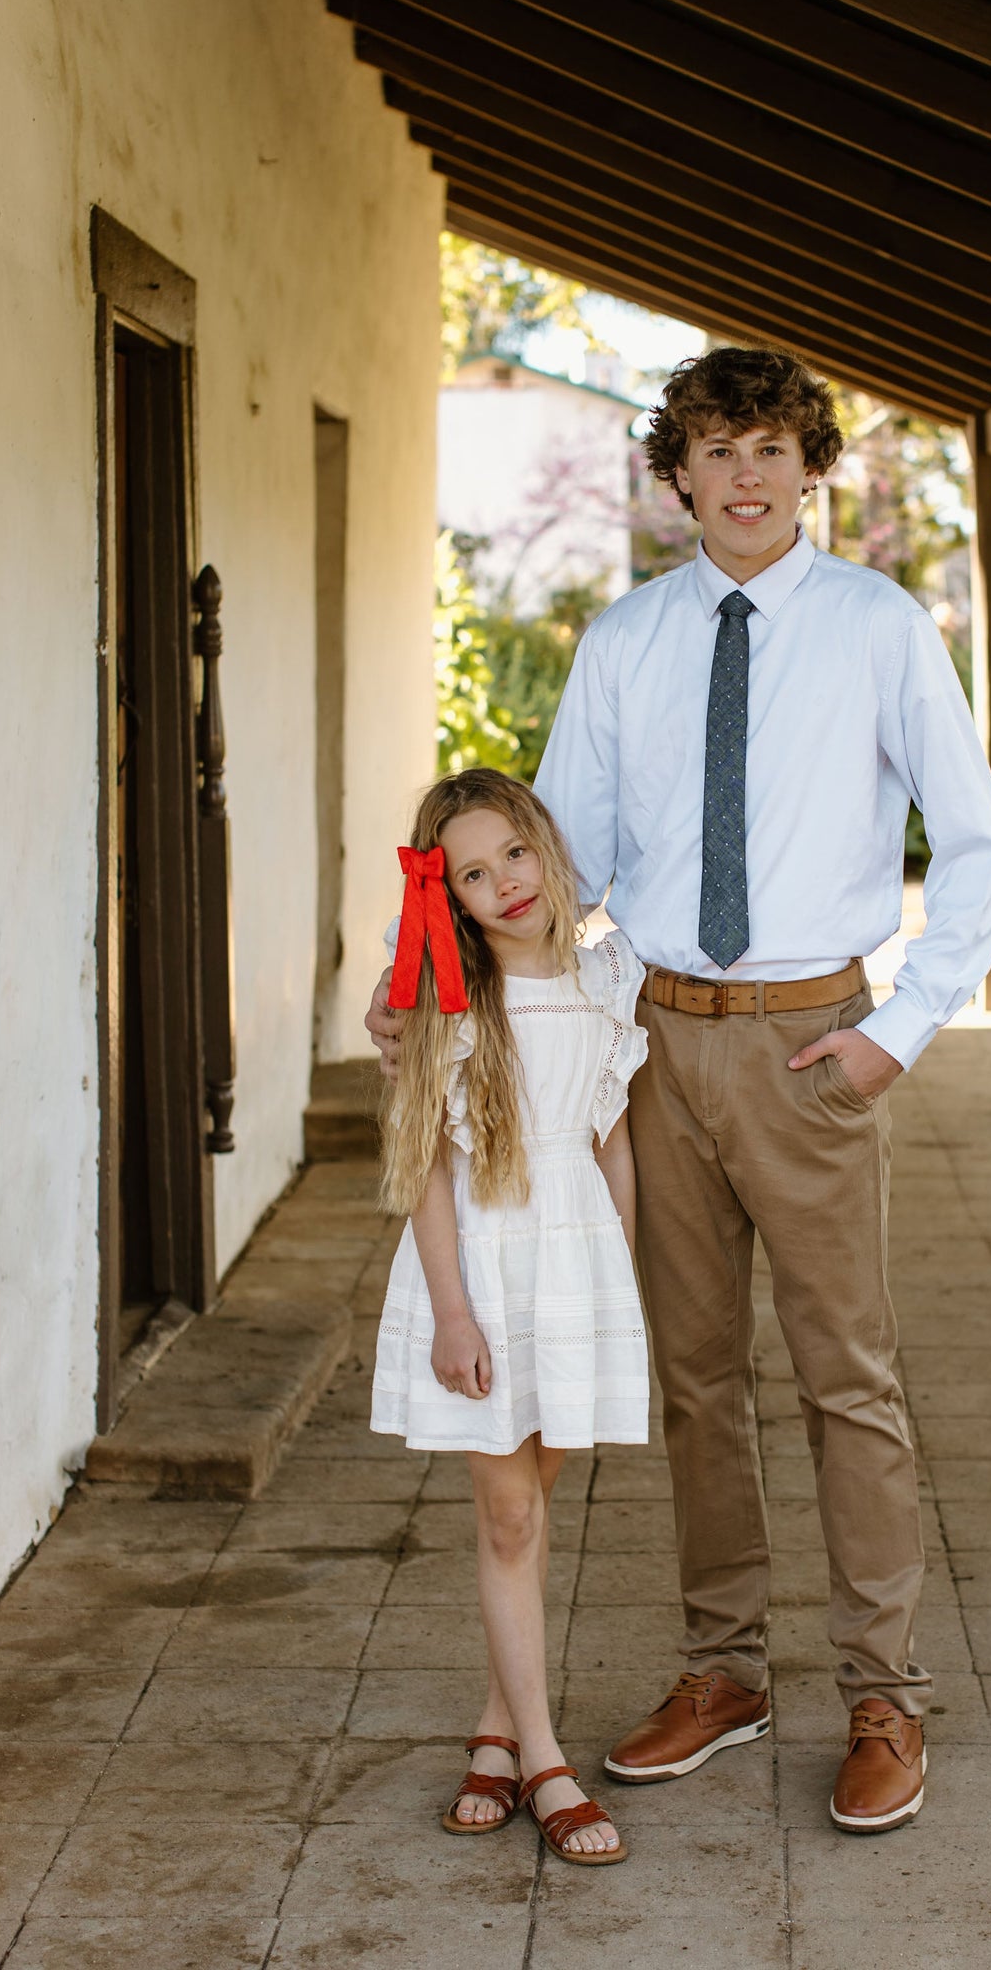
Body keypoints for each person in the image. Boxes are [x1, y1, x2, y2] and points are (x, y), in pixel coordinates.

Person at [369, 347, 991, 1834]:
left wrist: (898, 1027)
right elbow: (540, 868)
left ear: (810, 466)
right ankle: (724, 1671)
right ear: (678, 474)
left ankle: (882, 1693)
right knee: (695, 1377)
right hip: (650, 1042)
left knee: (847, 1375)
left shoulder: (877, 625)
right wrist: (427, 994)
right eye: (715, 450)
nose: (744, 476)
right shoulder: (627, 642)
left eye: (771, 448)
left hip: (811, 1044)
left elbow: (970, 841)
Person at [371, 767, 649, 1867]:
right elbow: (430, 1170)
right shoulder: (446, 998)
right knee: (506, 1517)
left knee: (537, 1495)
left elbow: (608, 1131)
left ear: (543, 842)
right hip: (482, 1267)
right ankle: (542, 1757)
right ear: (450, 893)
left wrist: (619, 1271)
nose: (504, 884)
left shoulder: (604, 976)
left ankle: (493, 1725)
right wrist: (451, 1312)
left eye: (514, 855)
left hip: (574, 1265)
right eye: (474, 874)